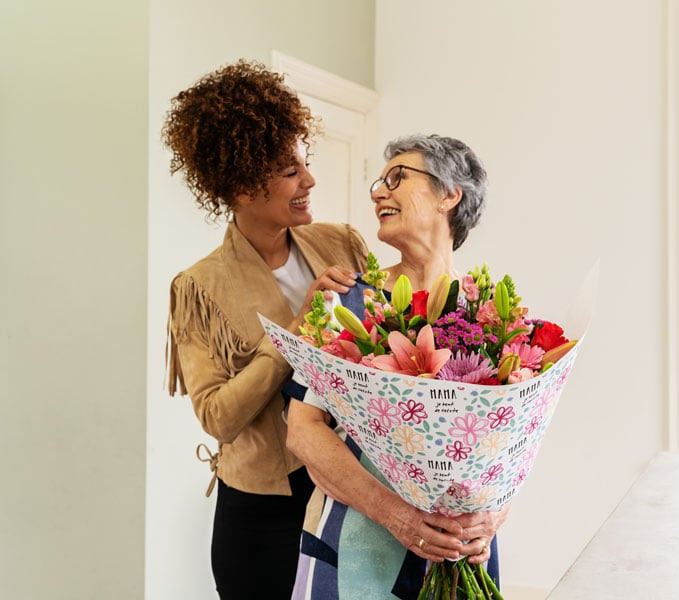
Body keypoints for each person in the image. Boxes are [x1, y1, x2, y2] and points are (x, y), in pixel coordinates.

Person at [162, 60, 368, 599]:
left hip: (348, 495)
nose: (310, 181)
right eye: (289, 170)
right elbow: (218, 417)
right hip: (260, 519)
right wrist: (294, 333)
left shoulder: (341, 244)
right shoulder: (199, 288)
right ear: (244, 186)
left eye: (306, 163)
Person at [286, 134, 508, 599]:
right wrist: (399, 517)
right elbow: (303, 430)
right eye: (379, 182)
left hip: (458, 554)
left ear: (450, 195)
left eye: (397, 178)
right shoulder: (342, 302)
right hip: (354, 546)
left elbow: (510, 451)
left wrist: (492, 518)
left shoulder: (490, 315)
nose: (378, 192)